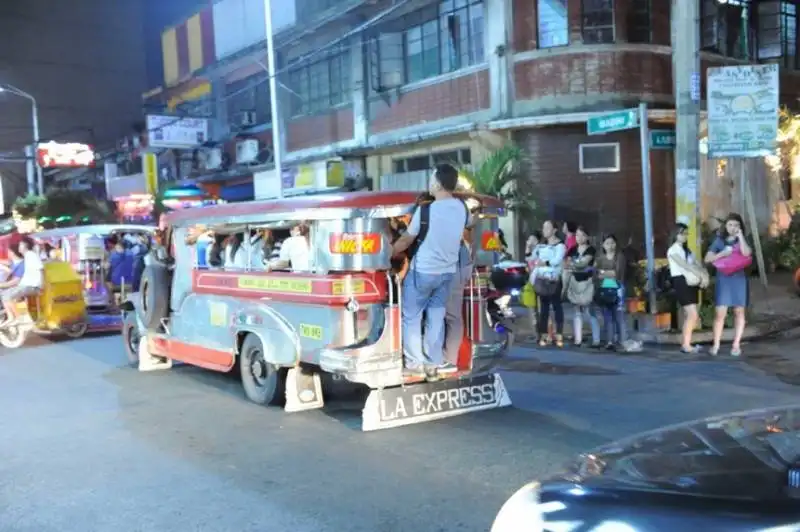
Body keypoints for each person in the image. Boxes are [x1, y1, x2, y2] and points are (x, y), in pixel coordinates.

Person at [392, 164, 470, 377]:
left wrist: (389, 252)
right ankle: (433, 362)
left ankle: (415, 364)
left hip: (423, 272)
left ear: (437, 183)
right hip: (447, 273)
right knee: (436, 317)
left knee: (412, 316)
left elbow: (408, 238)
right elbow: (469, 225)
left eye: (431, 178)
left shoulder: (426, 210)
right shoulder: (462, 208)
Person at [704, 213, 751, 356]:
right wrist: (722, 254)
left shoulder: (742, 239)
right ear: (726, 226)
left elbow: (747, 253)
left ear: (740, 226)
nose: (733, 228)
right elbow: (707, 258)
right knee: (720, 313)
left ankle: (736, 344)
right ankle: (716, 344)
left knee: (739, 311)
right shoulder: (719, 241)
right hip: (724, 279)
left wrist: (741, 237)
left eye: (736, 225)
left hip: (739, 279)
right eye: (730, 225)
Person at [667, 223, 708, 353]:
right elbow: (684, 265)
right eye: (681, 233)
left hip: (691, 282)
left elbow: (696, 263)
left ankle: (687, 343)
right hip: (681, 281)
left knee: (692, 314)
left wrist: (703, 275)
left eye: (686, 233)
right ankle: (685, 344)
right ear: (675, 235)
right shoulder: (673, 250)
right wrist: (700, 275)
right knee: (692, 314)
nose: (684, 236)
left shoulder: (687, 250)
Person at [530, 220, 566, 347]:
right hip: (541, 279)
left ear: (554, 230)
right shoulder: (541, 245)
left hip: (554, 279)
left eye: (547, 227)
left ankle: (559, 335)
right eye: (543, 227)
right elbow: (533, 259)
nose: (544, 230)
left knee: (557, 307)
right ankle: (543, 335)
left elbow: (556, 260)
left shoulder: (560, 245)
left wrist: (544, 262)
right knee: (543, 308)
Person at [566, 226, 600, 347]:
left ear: (587, 237)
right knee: (576, 311)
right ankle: (578, 339)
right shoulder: (572, 249)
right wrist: (577, 266)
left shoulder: (591, 250)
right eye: (577, 235)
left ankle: (596, 340)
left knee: (589, 311)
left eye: (582, 235)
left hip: (587, 282)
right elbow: (568, 263)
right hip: (575, 281)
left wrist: (577, 266)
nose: (579, 238)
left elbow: (583, 263)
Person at [595, 234, 627, 350]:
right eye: (607, 243)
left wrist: (604, 273)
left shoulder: (620, 257)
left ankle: (622, 341)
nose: (610, 246)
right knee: (607, 316)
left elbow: (617, 273)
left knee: (619, 316)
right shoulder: (600, 258)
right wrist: (607, 273)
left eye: (612, 243)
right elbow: (597, 274)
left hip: (618, 289)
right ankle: (609, 341)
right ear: (603, 245)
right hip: (604, 289)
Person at [1, 238, 43, 325]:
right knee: (5, 294)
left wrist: (41, 285)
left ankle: (17, 317)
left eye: (20, 245)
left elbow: (41, 268)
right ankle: (11, 316)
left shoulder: (31, 255)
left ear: (25, 246)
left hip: (32, 285)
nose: (19, 247)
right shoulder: (27, 256)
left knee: (7, 295)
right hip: (27, 285)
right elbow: (9, 264)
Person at [523, 230, 544, 340]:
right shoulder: (531, 250)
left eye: (532, 239)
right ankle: (536, 334)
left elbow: (530, 260)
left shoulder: (540, 250)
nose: (530, 241)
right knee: (532, 309)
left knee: (540, 309)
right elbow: (527, 260)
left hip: (540, 282)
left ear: (537, 240)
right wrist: (527, 247)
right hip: (532, 283)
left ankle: (542, 334)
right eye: (529, 239)